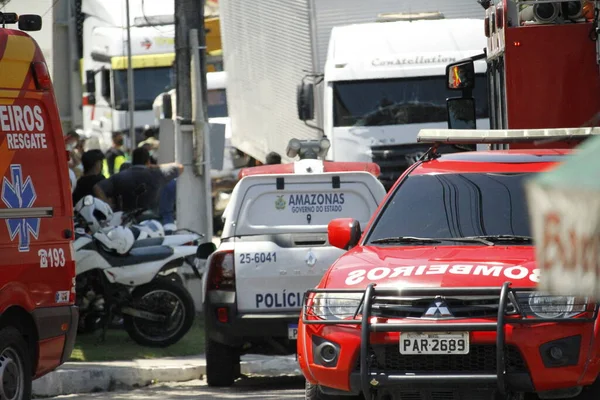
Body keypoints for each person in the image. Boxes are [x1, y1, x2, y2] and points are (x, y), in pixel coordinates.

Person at [93, 147, 183, 214]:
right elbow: (180, 167)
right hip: (151, 220)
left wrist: (107, 206)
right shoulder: (157, 174)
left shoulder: (119, 177)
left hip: (125, 220)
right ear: (148, 161)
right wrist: (153, 166)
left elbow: (97, 187)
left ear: (133, 161)